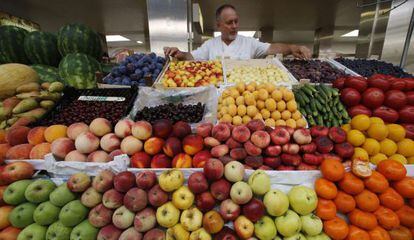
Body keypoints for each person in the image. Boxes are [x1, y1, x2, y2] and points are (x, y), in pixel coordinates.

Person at [164, 4, 312, 60]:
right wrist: (180, 53)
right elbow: (191, 56)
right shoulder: (210, 45)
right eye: (229, 23)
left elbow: (273, 48)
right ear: (219, 25)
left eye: (236, 21)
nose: (234, 26)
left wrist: (293, 48)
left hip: (244, 99)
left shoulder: (249, 43)